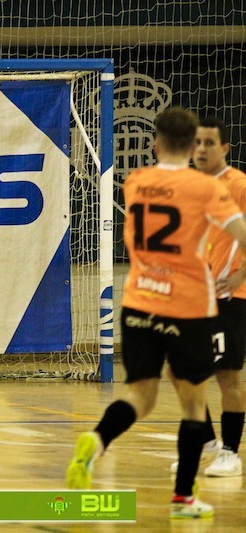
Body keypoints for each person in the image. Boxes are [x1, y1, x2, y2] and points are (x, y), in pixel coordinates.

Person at [65, 108, 246, 519]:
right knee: (193, 402)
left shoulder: (137, 181)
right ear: (191, 146)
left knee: (140, 395)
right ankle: (183, 498)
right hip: (188, 305)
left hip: (141, 300)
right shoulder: (205, 189)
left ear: (156, 144)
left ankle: (97, 440)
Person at [182, 116, 246, 477]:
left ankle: (231, 454)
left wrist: (240, 273)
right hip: (193, 296)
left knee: (228, 376)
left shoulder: (237, 185)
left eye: (210, 143)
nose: (202, 150)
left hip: (230, 295)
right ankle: (206, 443)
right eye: (197, 143)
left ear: (224, 149)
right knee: (184, 372)